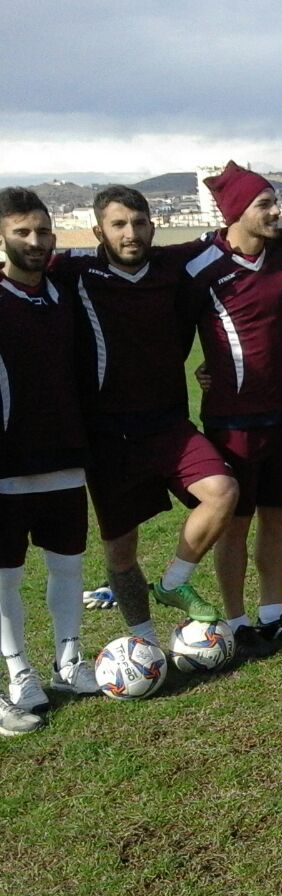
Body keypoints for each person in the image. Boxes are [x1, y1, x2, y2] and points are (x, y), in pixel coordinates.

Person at [56, 186, 239, 647]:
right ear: (99, 230)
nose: (130, 233)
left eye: (139, 223)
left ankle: (175, 581)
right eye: (118, 224)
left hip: (170, 427)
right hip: (109, 437)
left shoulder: (171, 267)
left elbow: (228, 237)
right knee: (120, 551)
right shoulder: (74, 271)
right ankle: (144, 644)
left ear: (152, 226)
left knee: (222, 491)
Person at [188, 161, 282, 654]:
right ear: (236, 211)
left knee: (278, 516)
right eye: (265, 204)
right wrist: (201, 370)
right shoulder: (202, 267)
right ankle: (237, 621)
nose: (276, 212)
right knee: (235, 524)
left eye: (274, 202)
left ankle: (273, 612)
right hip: (232, 417)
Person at [0, 188, 93, 718]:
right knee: (6, 578)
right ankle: (20, 674)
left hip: (65, 456)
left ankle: (70, 663)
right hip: (7, 465)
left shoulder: (63, 287)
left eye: (42, 231)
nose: (34, 242)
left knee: (68, 568)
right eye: (22, 232)